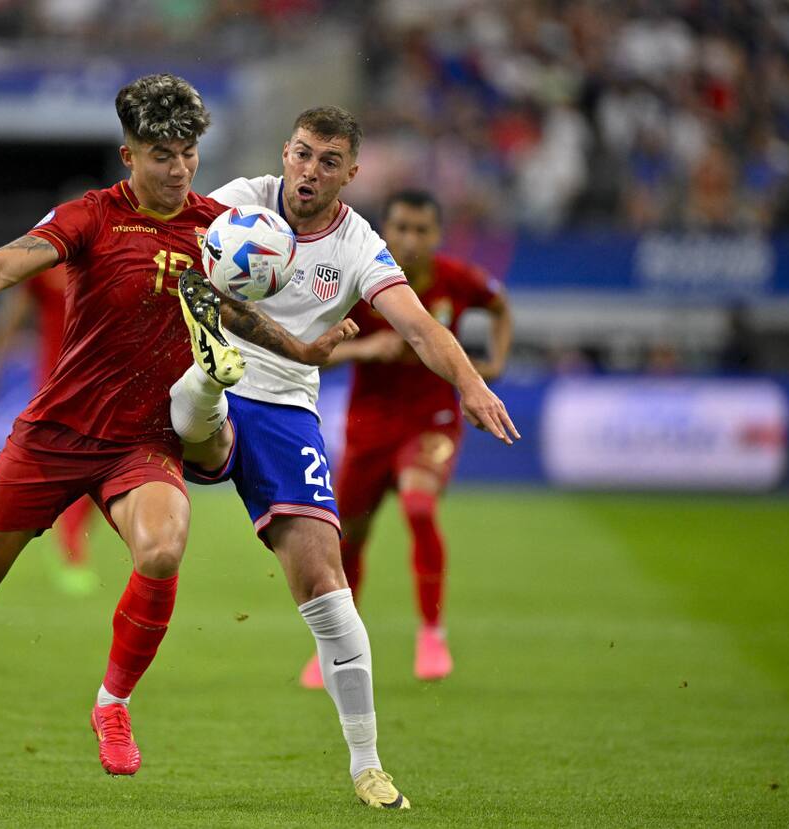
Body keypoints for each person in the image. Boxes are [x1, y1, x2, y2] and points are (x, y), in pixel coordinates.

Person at [0, 73, 347, 798]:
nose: (180, 168)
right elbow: (24, 252)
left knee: (162, 548)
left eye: (188, 153)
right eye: (162, 154)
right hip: (56, 434)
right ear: (129, 155)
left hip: (143, 441)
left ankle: (112, 704)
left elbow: (234, 309)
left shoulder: (219, 229)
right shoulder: (93, 215)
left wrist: (301, 348)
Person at [170, 107, 520, 811]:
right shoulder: (237, 203)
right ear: (285, 152)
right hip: (208, 383)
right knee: (196, 424)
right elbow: (159, 240)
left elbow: (419, 326)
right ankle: (208, 379)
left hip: (285, 411)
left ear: (351, 174)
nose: (310, 170)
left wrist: (472, 383)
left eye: (328, 161)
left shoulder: (360, 244)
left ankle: (368, 766)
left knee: (328, 588)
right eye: (303, 154)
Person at [299, 189, 513, 688]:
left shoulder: (456, 280)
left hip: (430, 420)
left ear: (438, 235)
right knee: (347, 537)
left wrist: (496, 364)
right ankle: (337, 648)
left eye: (421, 230)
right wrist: (365, 348)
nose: (410, 239)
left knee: (419, 507)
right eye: (401, 228)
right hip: (368, 427)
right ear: (384, 231)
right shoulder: (355, 280)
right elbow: (311, 352)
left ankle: (432, 635)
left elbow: (500, 308)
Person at [0, 262, 99, 596]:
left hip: (103, 379)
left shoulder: (108, 257)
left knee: (103, 465)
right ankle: (68, 543)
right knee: (80, 464)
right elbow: (13, 315)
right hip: (56, 383)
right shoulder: (47, 263)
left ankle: (68, 537)